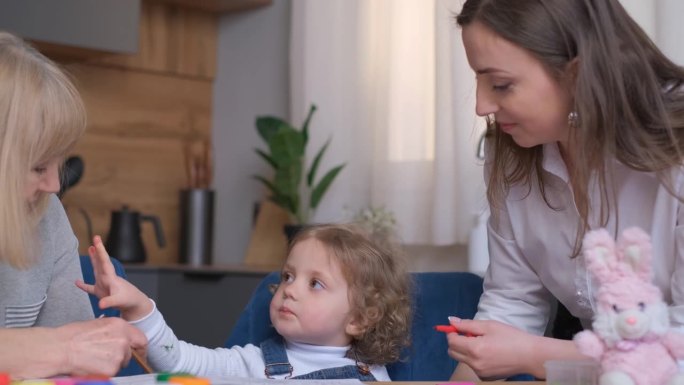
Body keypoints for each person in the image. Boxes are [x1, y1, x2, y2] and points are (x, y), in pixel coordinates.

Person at [447, 0, 684, 381]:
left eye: (501, 84)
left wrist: (532, 355)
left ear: (577, 75)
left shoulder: (676, 156)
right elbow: (512, 302)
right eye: (477, 78)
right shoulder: (513, 154)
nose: (481, 105)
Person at [78, 224, 412, 381]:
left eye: (315, 284)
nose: (290, 290)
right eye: (287, 276)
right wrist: (139, 309)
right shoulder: (252, 364)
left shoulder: (375, 378)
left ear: (359, 319)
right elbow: (178, 361)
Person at [0, 31, 146, 378]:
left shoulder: (46, 213)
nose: (53, 185)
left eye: (58, 164)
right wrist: (59, 347)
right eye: (38, 166)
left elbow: (78, 364)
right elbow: (69, 349)